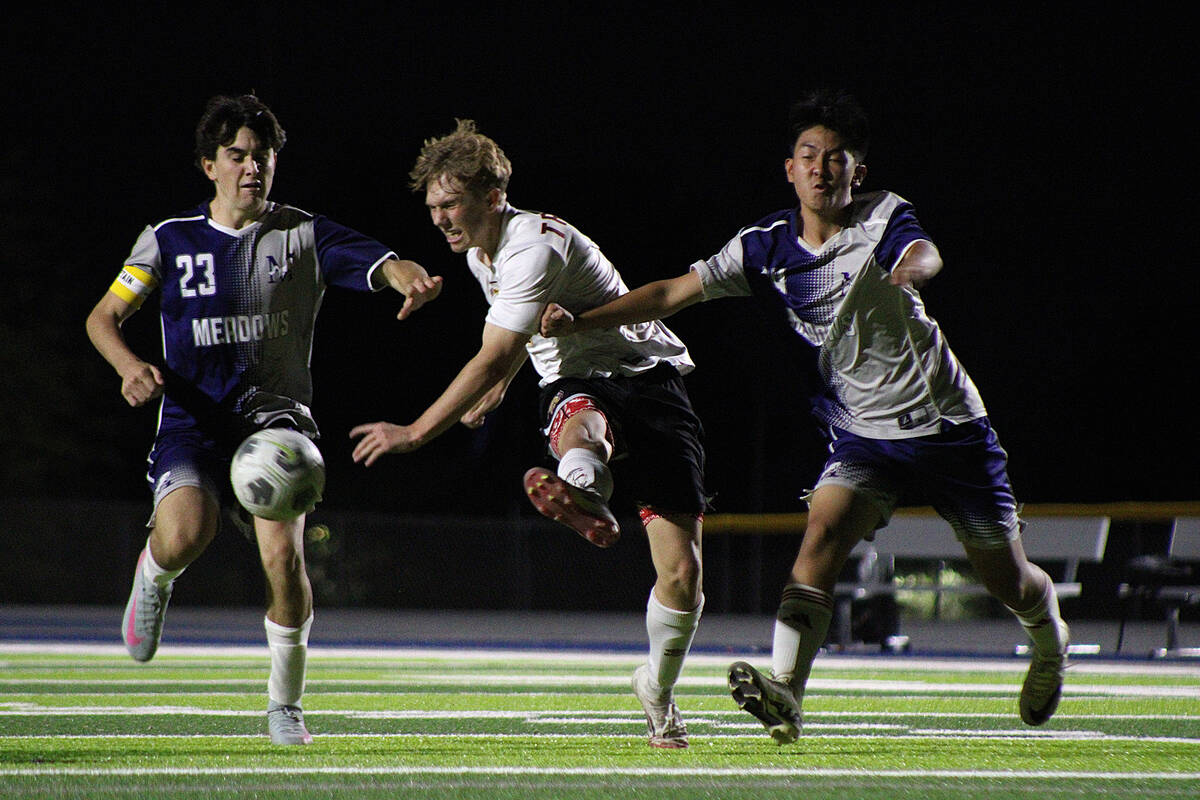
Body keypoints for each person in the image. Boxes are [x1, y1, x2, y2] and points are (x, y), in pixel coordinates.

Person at [539, 90, 1070, 743]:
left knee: (1006, 578)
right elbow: (671, 293)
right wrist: (582, 321)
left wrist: (906, 276)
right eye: (808, 156)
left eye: (836, 158)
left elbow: (924, 253)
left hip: (948, 426)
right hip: (861, 436)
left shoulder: (882, 219)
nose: (822, 169)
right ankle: (786, 692)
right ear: (789, 168)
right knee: (820, 536)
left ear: (858, 174)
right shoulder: (764, 246)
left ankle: (1048, 639)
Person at [85, 94, 442, 745]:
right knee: (187, 534)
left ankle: (284, 705)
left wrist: (404, 273)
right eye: (238, 155)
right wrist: (128, 367)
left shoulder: (301, 232)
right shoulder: (169, 239)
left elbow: (380, 262)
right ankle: (154, 573)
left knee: (283, 557)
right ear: (209, 165)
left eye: (263, 156)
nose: (252, 167)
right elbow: (102, 318)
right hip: (191, 423)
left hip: (275, 423)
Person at [349, 119, 707, 749]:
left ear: (493, 197)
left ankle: (656, 685)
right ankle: (581, 488)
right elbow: (508, 349)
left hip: (651, 380)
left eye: (451, 202)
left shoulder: (530, 244)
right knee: (585, 432)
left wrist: (415, 431)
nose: (438, 218)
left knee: (681, 576)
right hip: (576, 382)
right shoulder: (482, 254)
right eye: (432, 205)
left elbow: (493, 350)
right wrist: (504, 385)